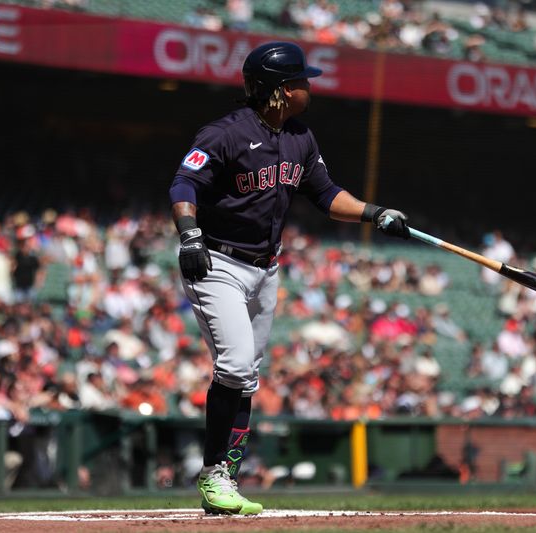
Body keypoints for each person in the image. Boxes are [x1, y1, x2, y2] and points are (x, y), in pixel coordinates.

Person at [169, 41, 410, 515]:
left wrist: (375, 213)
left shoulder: (301, 137)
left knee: (248, 377)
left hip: (265, 268)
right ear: (278, 91)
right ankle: (213, 473)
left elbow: (325, 194)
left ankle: (226, 481)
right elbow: (184, 183)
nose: (308, 86)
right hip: (216, 262)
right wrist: (190, 234)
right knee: (235, 367)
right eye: (301, 80)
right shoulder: (225, 134)